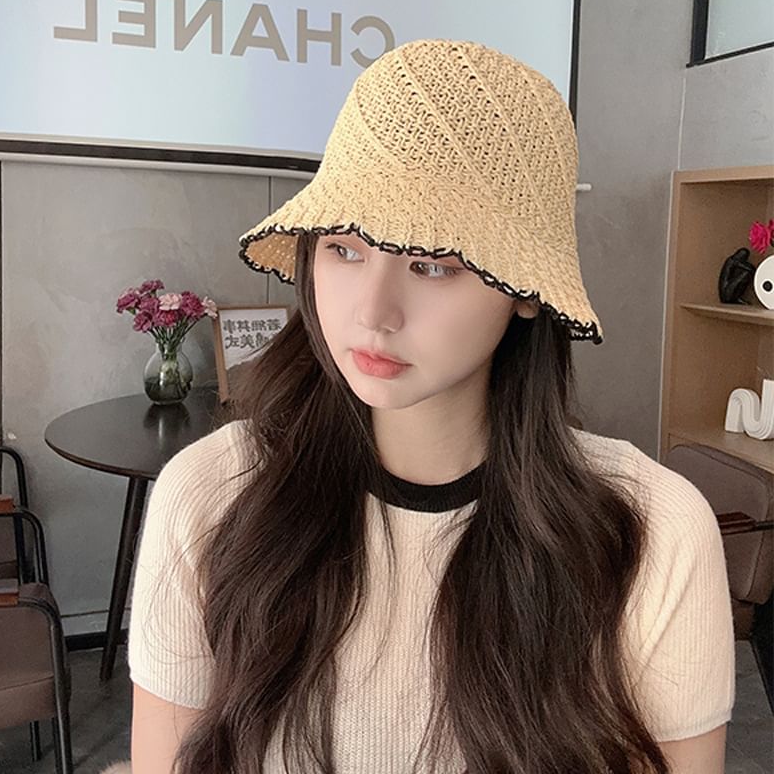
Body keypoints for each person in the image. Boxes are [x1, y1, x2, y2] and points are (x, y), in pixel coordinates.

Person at [128, 39, 734, 774]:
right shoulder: (211, 497)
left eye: (432, 264)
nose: (372, 312)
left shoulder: (654, 534)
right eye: (345, 250)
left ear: (525, 291)